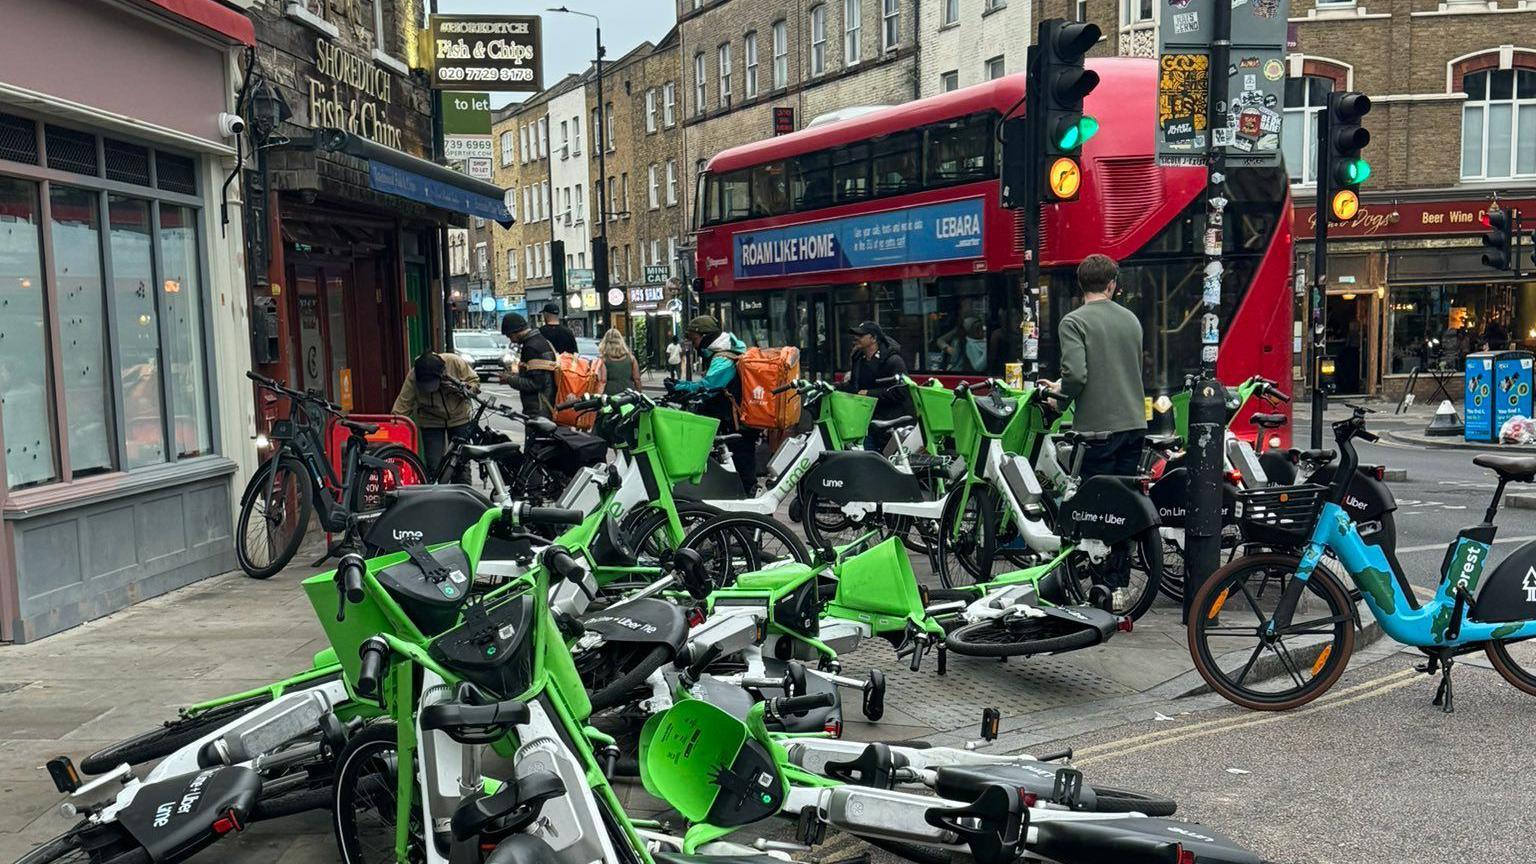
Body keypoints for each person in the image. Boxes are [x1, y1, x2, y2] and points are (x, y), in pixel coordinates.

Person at [1039, 254, 1146, 479]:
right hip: (1135, 425)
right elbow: (1114, 368)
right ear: (1112, 284)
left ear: (1080, 284)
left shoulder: (1073, 322)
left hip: (1098, 431)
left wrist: (1058, 399)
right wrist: (1061, 384)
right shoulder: (1131, 319)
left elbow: (1076, 376)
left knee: (1095, 504)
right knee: (1124, 501)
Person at [669, 315, 757, 494]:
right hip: (734, 420)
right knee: (741, 465)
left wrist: (681, 386)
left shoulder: (724, 357)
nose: (694, 345)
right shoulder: (728, 350)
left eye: (694, 339)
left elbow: (711, 385)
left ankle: (757, 513)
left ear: (705, 336)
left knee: (743, 469)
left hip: (735, 422)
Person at [392, 351, 479, 482]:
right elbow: (402, 405)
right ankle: (438, 495)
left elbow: (474, 381)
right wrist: (393, 428)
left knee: (462, 464)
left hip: (459, 417)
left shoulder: (454, 362)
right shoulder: (413, 376)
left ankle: (463, 493)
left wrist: (465, 389)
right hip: (430, 420)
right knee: (434, 465)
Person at [839, 321, 911, 450]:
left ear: (874, 338)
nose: (856, 338)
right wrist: (833, 387)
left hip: (890, 420)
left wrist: (869, 394)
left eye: (861, 335)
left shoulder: (893, 361)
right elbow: (855, 387)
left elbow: (902, 392)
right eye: (855, 335)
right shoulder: (858, 358)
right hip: (866, 419)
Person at [500, 313, 558, 419]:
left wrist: (509, 379)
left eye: (509, 335)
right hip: (546, 405)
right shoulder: (541, 341)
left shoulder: (531, 348)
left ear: (516, 331)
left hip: (539, 408)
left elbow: (536, 384)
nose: (511, 340)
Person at [599, 328, 642, 395]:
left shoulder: (603, 360)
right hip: (629, 393)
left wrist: (598, 396)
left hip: (610, 394)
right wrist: (639, 393)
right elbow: (637, 379)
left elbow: (603, 381)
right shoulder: (631, 358)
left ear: (605, 342)